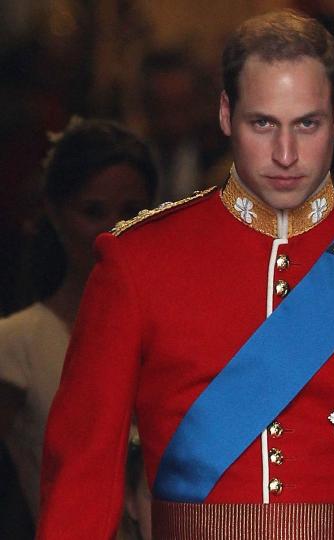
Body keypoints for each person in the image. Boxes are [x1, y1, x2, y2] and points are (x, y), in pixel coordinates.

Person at [38, 10, 334, 539]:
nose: (286, 154)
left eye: (307, 123)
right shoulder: (138, 261)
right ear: (226, 114)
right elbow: (82, 475)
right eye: (263, 124)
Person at [0, 118, 155, 530]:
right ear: (54, 212)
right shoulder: (17, 344)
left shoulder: (177, 330)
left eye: (132, 212)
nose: (114, 230)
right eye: (93, 211)